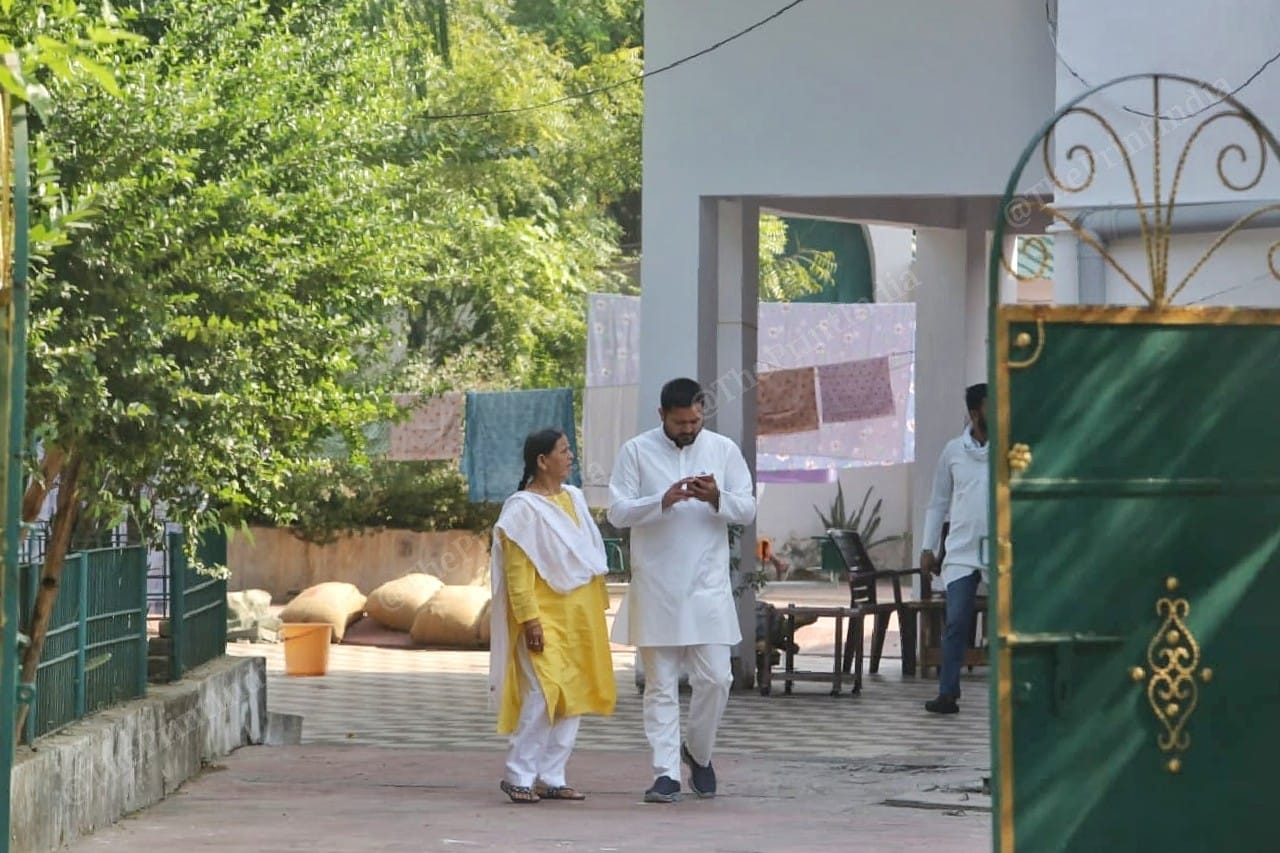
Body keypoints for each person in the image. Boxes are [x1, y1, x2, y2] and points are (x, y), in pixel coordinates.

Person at [607, 378, 756, 803]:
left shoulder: (723, 449)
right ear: (662, 417)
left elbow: (746, 506)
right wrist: (661, 500)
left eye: (694, 420)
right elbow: (617, 509)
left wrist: (717, 497)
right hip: (656, 586)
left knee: (717, 678)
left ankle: (699, 752)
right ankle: (665, 773)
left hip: (706, 587)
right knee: (660, 684)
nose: (688, 429)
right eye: (679, 422)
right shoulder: (636, 450)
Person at [489, 428, 616, 803]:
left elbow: (588, 557)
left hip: (580, 615)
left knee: (571, 695)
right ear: (542, 461)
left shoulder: (574, 498)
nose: (571, 456)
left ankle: (552, 775)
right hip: (543, 619)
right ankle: (519, 775)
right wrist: (529, 620)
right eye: (563, 451)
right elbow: (517, 573)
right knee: (544, 694)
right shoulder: (522, 510)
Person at [920, 383, 990, 715]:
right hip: (961, 552)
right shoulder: (953, 451)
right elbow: (938, 503)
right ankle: (948, 693)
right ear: (975, 413)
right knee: (957, 622)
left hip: (1001, 551)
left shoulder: (1012, 449)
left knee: (1010, 622)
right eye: (992, 407)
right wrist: (926, 547)